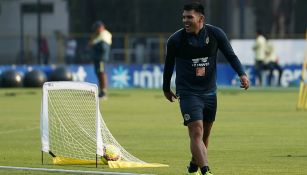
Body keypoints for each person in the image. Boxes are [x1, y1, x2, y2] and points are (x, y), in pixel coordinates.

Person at [162, 3, 249, 175]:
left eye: (189, 17)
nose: (185, 21)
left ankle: (194, 163)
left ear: (201, 19)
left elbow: (231, 55)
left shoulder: (216, 34)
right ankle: (205, 170)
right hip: (187, 93)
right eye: (184, 17)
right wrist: (166, 88)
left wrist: (242, 74)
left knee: (205, 135)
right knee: (196, 131)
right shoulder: (175, 40)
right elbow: (168, 65)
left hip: (210, 92)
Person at [89, 21, 112, 99]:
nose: (95, 30)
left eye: (96, 28)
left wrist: (94, 44)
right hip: (98, 58)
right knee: (99, 74)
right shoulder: (100, 36)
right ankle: (101, 91)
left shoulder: (104, 35)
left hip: (101, 59)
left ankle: (103, 92)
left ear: (100, 28)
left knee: (101, 73)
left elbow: (103, 48)